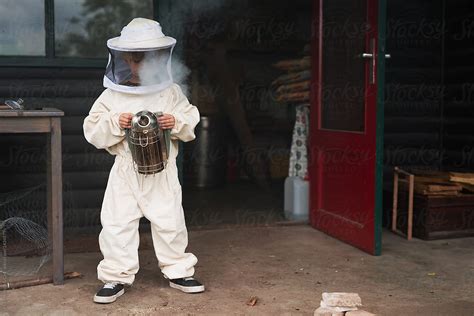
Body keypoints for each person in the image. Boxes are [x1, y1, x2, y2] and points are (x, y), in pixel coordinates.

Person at [83, 18, 204, 304]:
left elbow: (190, 118)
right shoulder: (113, 93)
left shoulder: (170, 92)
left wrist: (175, 121)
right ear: (125, 59)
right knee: (116, 223)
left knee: (170, 220)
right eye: (136, 60)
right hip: (125, 170)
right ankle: (115, 276)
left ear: (160, 57)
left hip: (163, 168)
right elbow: (92, 127)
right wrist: (115, 121)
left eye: (146, 59)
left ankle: (178, 270)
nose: (140, 65)